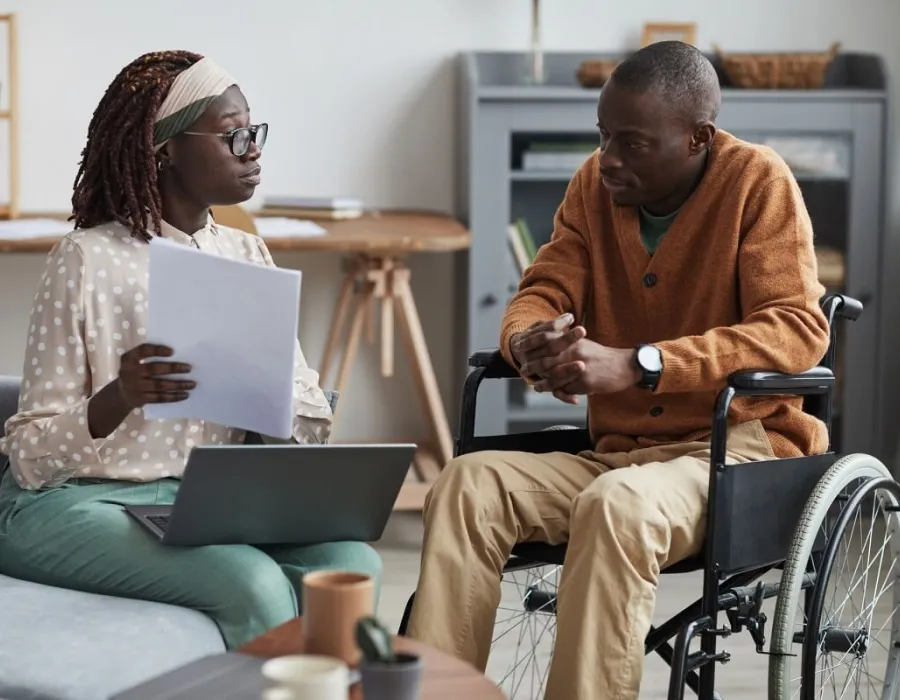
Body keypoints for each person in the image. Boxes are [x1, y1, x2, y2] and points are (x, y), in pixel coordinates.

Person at [406, 41, 829, 699]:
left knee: (616, 504)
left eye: (632, 144)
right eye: (604, 136)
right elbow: (544, 285)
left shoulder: (756, 181)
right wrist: (530, 341)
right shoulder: (592, 186)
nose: (608, 158)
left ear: (697, 139)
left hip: (735, 455)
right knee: (466, 483)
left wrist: (643, 365)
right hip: (620, 455)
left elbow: (798, 331)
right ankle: (433, 692)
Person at [0, 50, 381, 650]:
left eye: (253, 132)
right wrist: (121, 395)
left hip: (211, 497)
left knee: (351, 563)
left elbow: (309, 424)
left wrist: (271, 393)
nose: (253, 150)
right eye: (232, 136)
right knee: (249, 580)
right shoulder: (85, 259)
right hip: (81, 503)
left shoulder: (246, 254)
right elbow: (27, 457)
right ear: (166, 148)